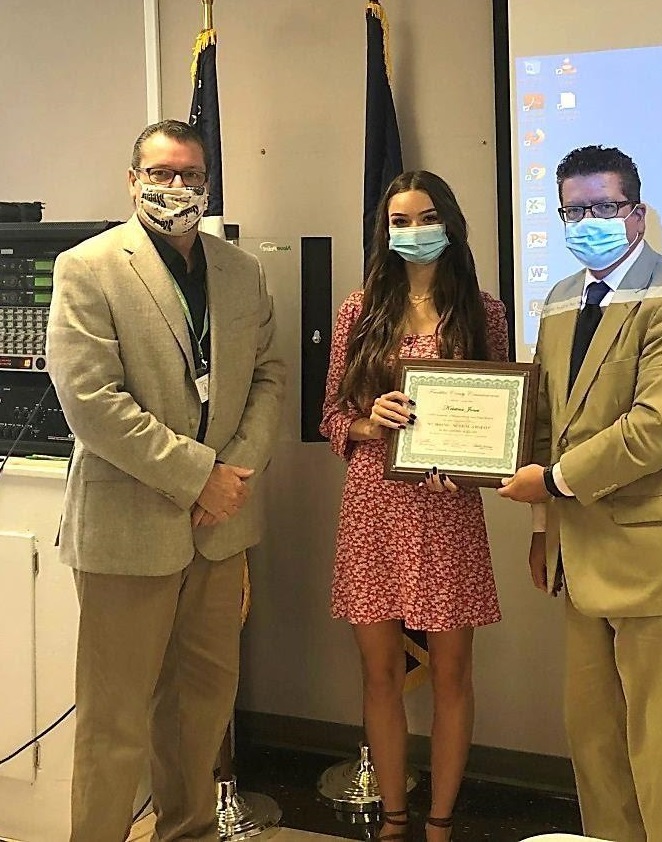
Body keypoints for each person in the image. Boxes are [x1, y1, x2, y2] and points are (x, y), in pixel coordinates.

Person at [46, 119, 284, 842]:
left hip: (221, 532)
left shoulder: (241, 272)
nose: (176, 187)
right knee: (115, 725)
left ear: (209, 185)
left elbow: (270, 375)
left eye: (190, 175)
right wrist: (197, 476)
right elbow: (92, 401)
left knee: (200, 714)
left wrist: (234, 470)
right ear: (132, 180)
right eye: (161, 172)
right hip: (129, 530)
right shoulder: (87, 268)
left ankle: (188, 833)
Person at [498, 146, 662, 842]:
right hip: (579, 556)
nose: (587, 221)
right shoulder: (564, 297)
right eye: (574, 210)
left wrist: (558, 481)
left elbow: (660, 426)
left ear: (637, 213)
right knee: (596, 750)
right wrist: (539, 523)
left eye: (603, 207)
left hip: (658, 564)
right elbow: (545, 419)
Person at [320, 170, 508, 842]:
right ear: (384, 232)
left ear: (451, 223)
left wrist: (470, 464)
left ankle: (440, 824)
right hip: (374, 508)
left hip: (448, 511)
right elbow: (330, 417)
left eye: (425, 218)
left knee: (454, 673)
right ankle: (393, 819)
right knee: (380, 675)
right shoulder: (357, 309)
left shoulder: (483, 312)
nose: (413, 232)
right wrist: (371, 421)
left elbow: (501, 422)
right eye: (399, 222)